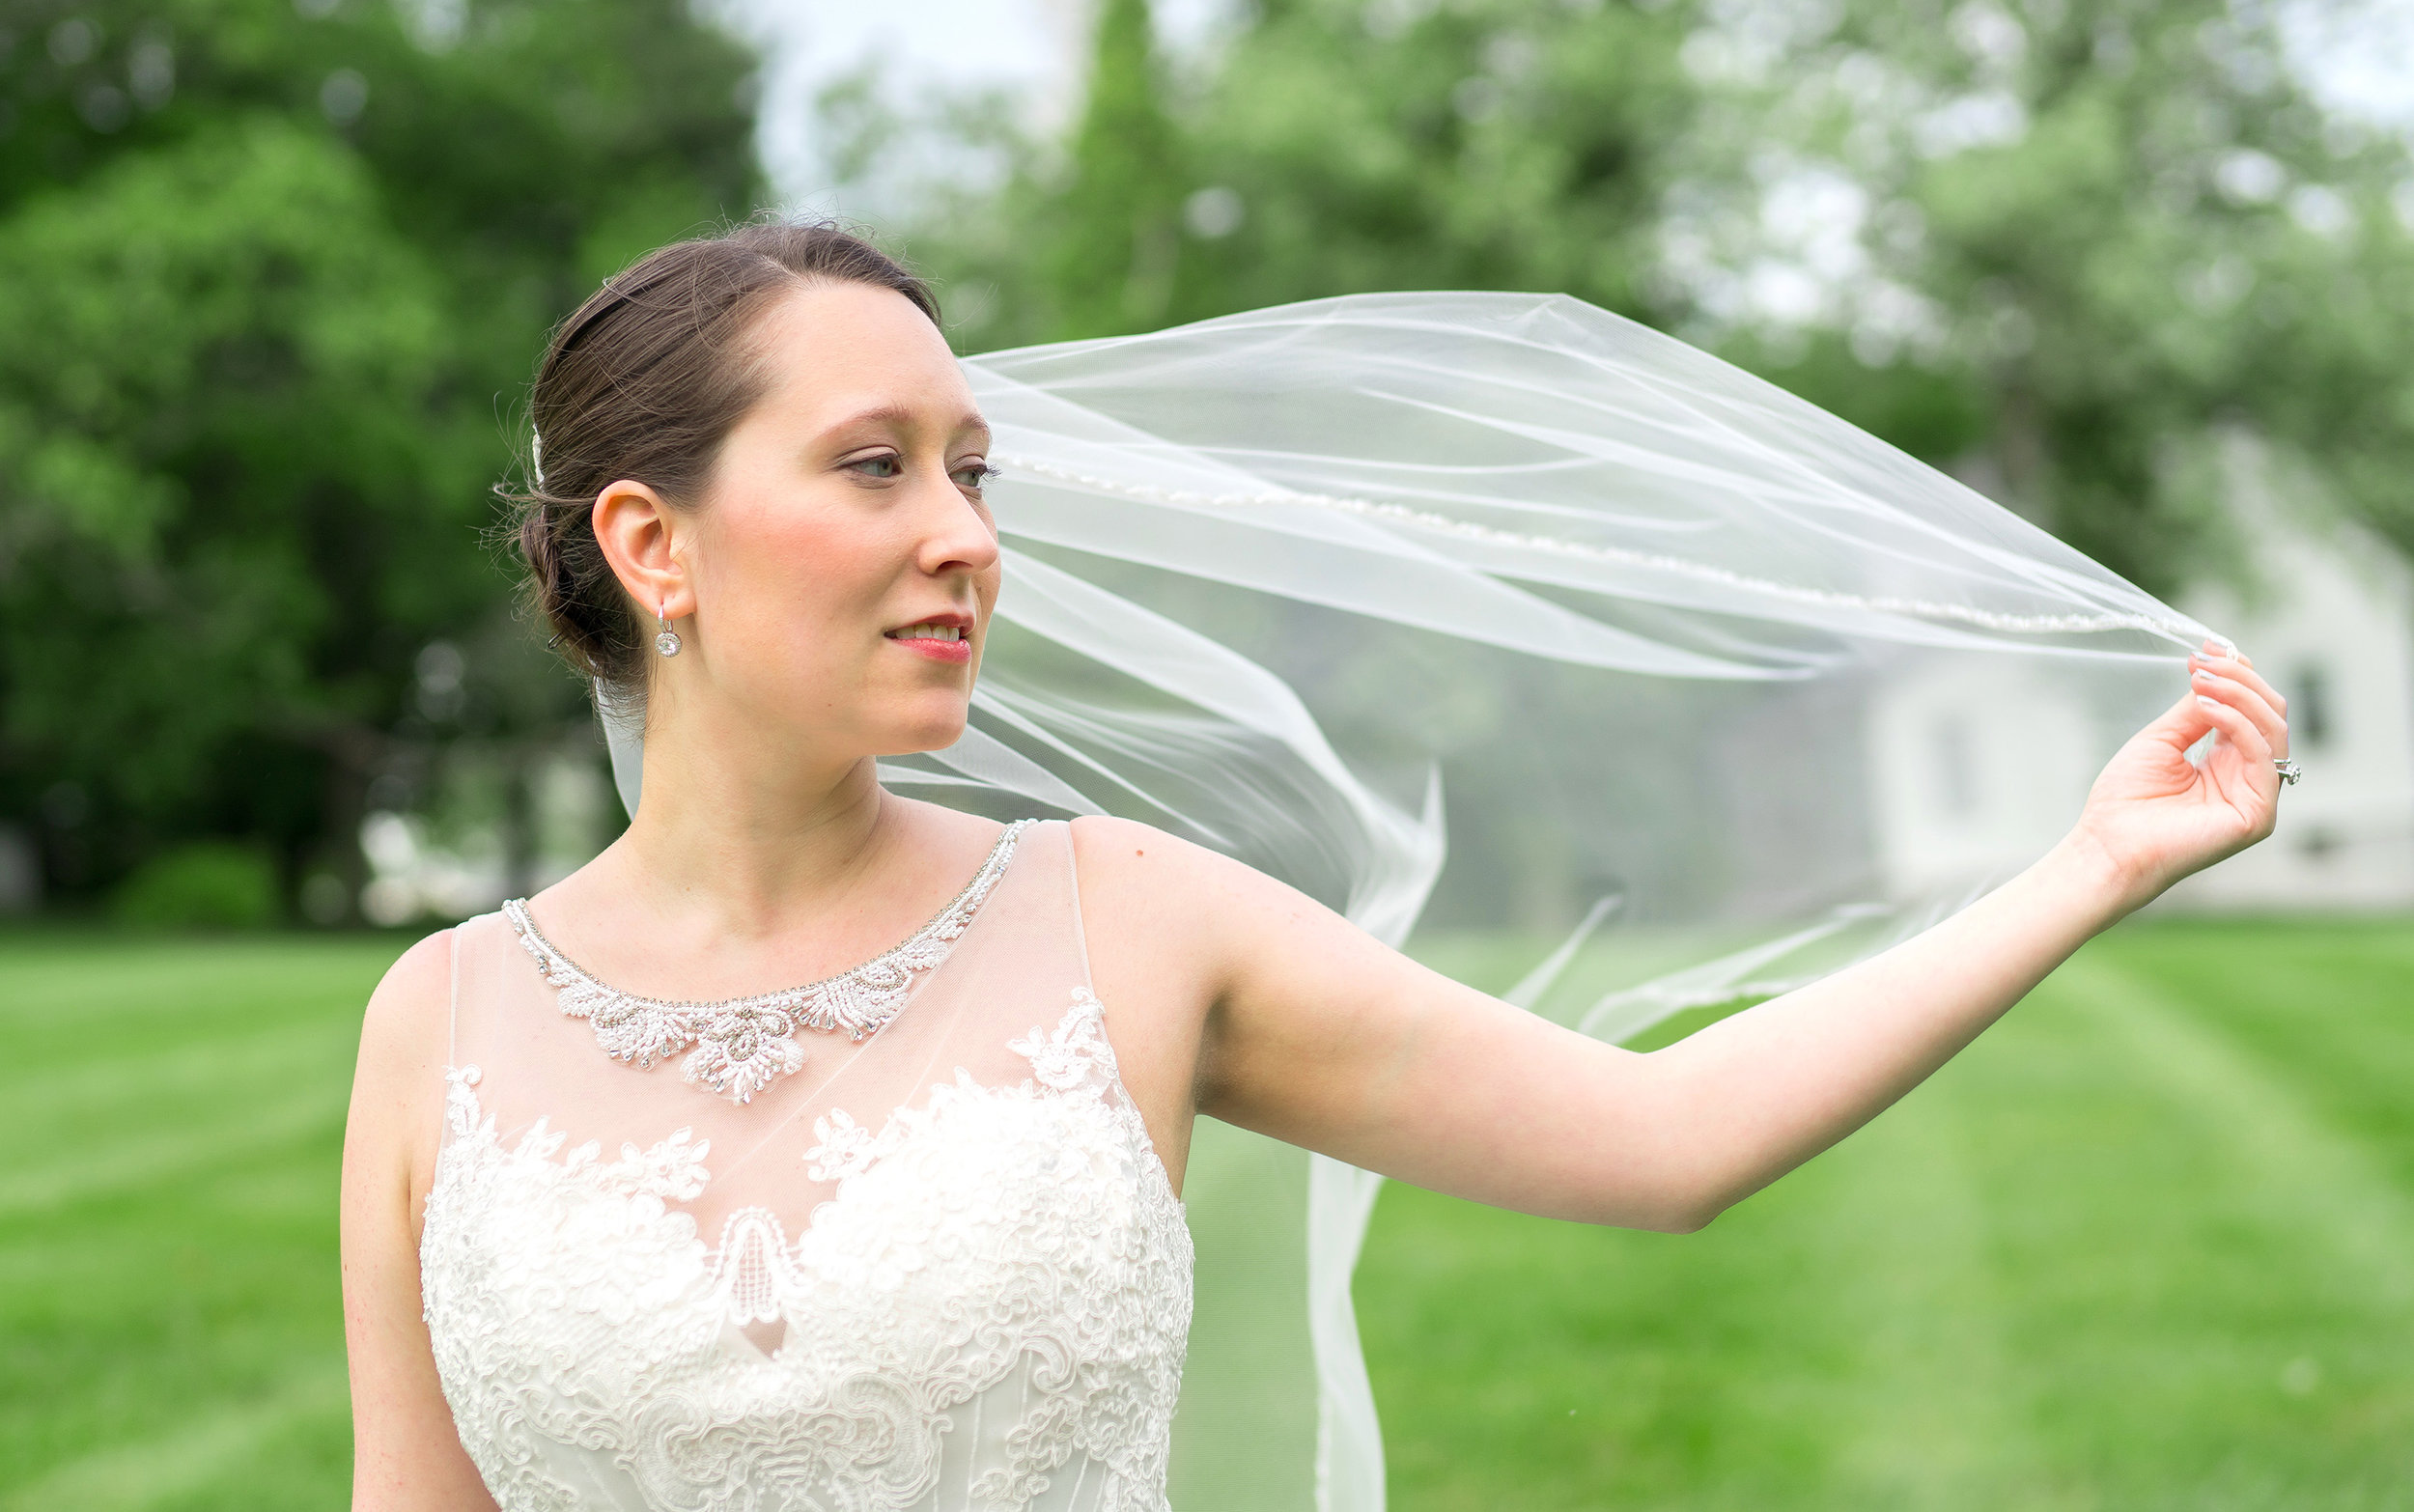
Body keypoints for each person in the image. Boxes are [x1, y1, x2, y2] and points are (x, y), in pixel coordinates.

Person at [340, 223, 2289, 1511]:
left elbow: (1657, 1138)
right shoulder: (439, 1025)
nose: (967, 536)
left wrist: (2087, 864)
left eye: (973, 466)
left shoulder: (1126, 918)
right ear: (652, 544)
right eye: (875, 465)